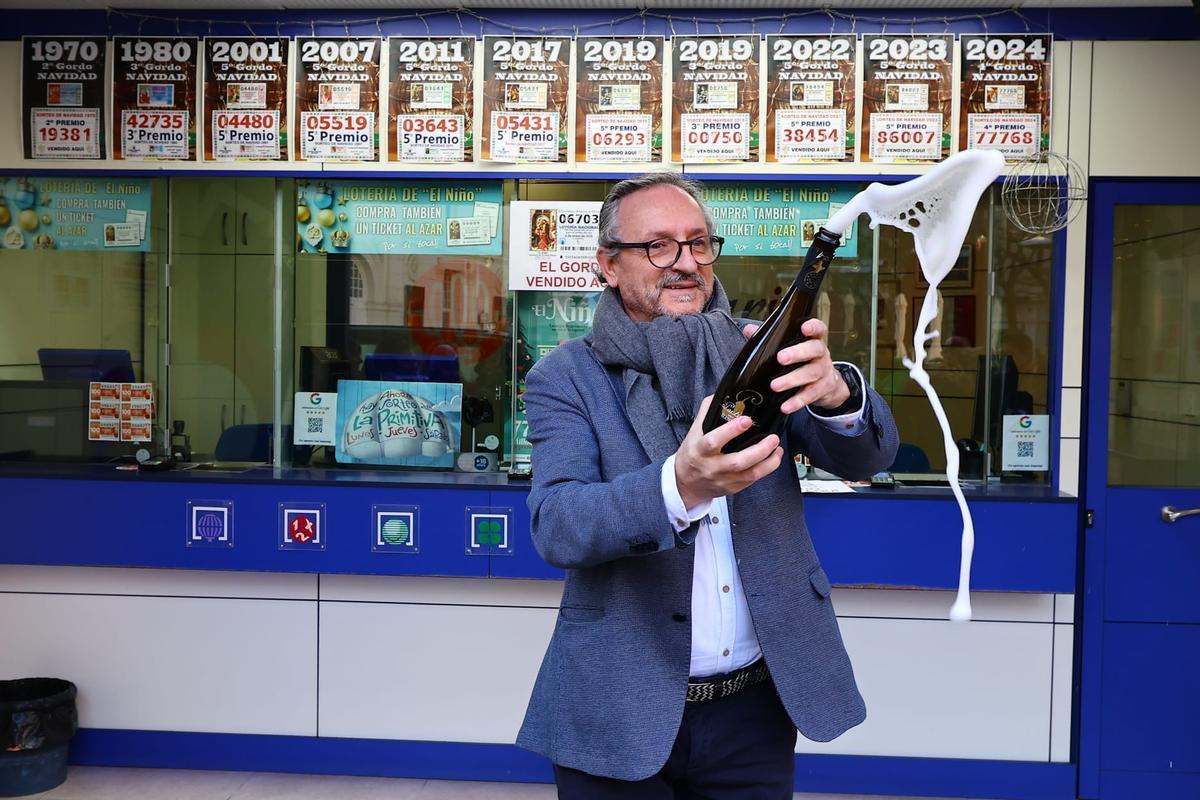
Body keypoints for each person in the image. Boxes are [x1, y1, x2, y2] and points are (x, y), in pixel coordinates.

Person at [517, 172, 899, 797]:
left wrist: (835, 393)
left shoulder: (755, 352)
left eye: (699, 244)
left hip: (756, 704)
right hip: (617, 704)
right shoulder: (566, 377)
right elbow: (559, 523)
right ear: (607, 265)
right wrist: (681, 485)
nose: (685, 263)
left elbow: (866, 456)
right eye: (659, 246)